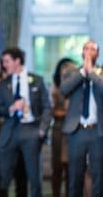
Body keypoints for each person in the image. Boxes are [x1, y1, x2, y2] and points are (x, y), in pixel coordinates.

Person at [0, 47, 51, 197]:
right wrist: (11, 108)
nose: (4, 64)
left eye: (6, 61)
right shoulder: (3, 83)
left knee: (34, 177)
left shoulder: (37, 80)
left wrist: (42, 130)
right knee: (4, 176)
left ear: (17, 61)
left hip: (32, 131)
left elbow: (47, 107)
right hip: (10, 132)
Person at [59, 41, 101, 197]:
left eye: (93, 49)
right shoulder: (72, 73)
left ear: (98, 54)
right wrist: (84, 72)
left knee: (98, 176)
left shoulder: (101, 73)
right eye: (86, 48)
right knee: (75, 176)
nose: (89, 51)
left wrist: (92, 73)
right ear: (82, 52)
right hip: (76, 131)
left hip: (97, 131)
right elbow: (64, 90)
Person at [51, 57, 78, 197]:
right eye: (64, 72)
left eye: (70, 72)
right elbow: (52, 111)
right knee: (57, 167)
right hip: (58, 130)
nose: (67, 74)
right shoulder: (55, 88)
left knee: (70, 168)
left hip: (74, 131)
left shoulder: (76, 87)